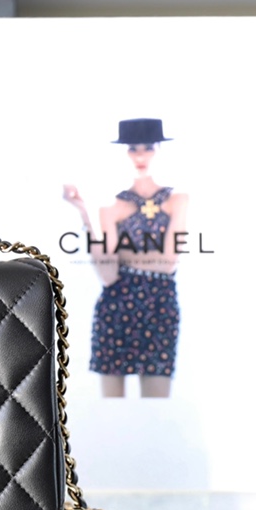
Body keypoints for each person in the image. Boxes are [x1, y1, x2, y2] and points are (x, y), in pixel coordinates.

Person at [62, 118, 188, 398]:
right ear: (124, 153)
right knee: (112, 408)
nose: (140, 156)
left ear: (159, 150)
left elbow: (168, 262)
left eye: (148, 147)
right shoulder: (112, 206)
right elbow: (108, 274)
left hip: (160, 308)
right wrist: (84, 213)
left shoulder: (177, 200)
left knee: (156, 406)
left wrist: (123, 255)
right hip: (116, 308)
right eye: (132, 149)